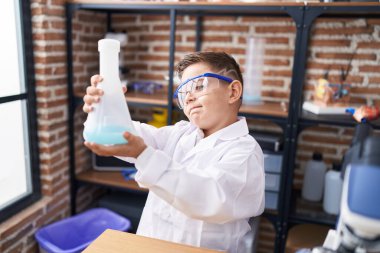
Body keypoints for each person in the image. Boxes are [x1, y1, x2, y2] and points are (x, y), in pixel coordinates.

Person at [83, 52, 265, 253]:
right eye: (183, 91)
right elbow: (121, 134)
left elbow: (208, 196)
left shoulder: (245, 152)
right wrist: (103, 109)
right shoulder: (180, 133)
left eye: (198, 86)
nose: (188, 97)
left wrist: (143, 155)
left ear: (233, 92)